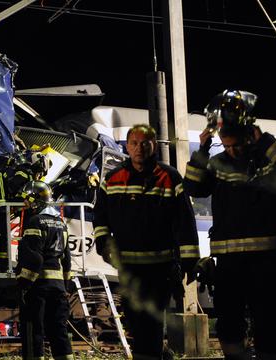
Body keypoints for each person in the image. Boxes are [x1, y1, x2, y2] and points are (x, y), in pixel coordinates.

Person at [184, 89, 276, 359]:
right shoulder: (216, 164)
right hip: (229, 264)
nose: (231, 150)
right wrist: (202, 149)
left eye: (236, 144)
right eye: (225, 145)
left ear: (248, 137)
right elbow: (193, 187)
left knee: (267, 326)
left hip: (266, 262)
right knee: (229, 327)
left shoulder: (265, 161)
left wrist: (264, 140)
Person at [93, 124, 199, 360]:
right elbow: (100, 217)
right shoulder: (112, 178)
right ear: (127, 147)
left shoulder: (169, 177)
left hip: (160, 268)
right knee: (134, 321)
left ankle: (152, 354)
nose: (139, 148)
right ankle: (159, 354)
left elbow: (185, 221)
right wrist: (103, 243)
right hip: (128, 268)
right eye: (134, 143)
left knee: (151, 321)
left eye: (145, 143)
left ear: (154, 146)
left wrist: (190, 262)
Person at [16, 180, 74, 360]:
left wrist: (25, 284)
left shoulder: (35, 222)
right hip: (58, 287)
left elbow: (35, 258)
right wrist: (66, 286)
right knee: (59, 330)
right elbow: (67, 260)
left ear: (35, 201)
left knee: (34, 331)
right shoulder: (61, 224)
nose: (25, 205)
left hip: (38, 286)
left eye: (27, 201)